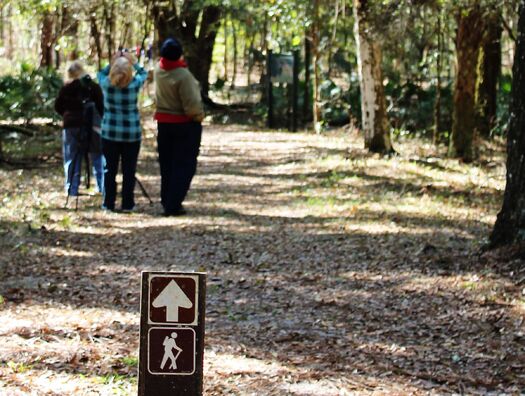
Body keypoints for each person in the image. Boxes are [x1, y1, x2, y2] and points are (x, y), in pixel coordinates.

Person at [154, 38, 204, 216]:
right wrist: (198, 117)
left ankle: (167, 199)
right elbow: (191, 104)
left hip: (164, 124)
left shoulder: (158, 70)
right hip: (184, 125)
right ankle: (173, 203)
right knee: (184, 165)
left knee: (167, 164)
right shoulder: (183, 75)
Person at [97, 52, 147, 212]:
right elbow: (144, 73)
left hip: (110, 133)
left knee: (109, 169)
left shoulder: (106, 84)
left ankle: (108, 203)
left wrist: (112, 62)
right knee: (129, 170)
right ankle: (127, 204)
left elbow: (100, 73)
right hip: (131, 133)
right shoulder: (134, 85)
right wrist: (133, 61)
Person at [55, 61, 104, 197]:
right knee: (97, 154)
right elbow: (101, 106)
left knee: (72, 156)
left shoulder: (67, 88)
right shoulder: (92, 87)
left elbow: (58, 106)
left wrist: (68, 114)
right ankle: (102, 186)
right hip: (92, 125)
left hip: (71, 125)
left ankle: (72, 188)